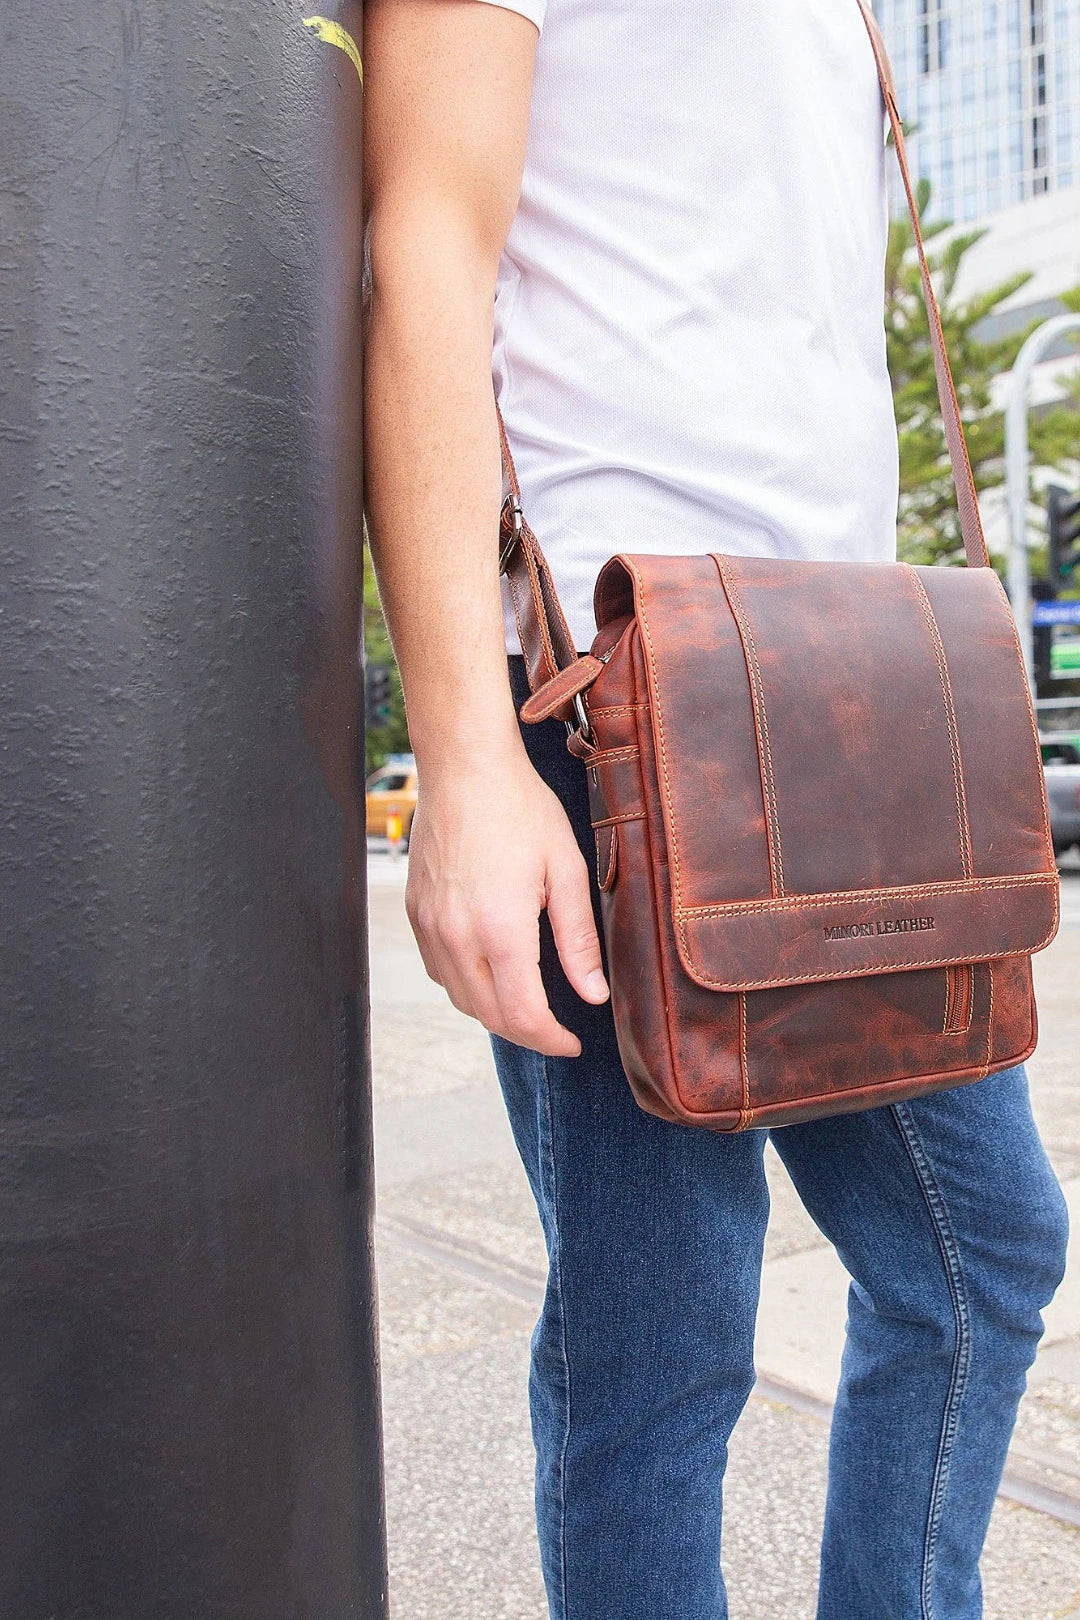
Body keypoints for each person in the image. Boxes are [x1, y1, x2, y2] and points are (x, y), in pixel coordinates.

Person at [361, 2, 1070, 1615]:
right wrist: (469, 761)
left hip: (842, 687)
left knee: (984, 1256)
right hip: (618, 699)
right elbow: (426, 248)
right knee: (663, 1339)